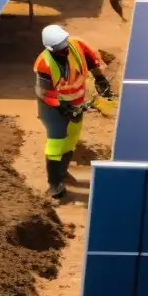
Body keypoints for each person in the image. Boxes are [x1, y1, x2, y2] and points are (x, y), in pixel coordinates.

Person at [34, 25, 111, 199]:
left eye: (65, 43)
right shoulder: (44, 64)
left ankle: (63, 172)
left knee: (71, 140)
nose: (65, 47)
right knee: (57, 142)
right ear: (51, 49)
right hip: (52, 107)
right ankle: (54, 184)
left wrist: (100, 79)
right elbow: (45, 92)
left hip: (76, 102)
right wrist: (65, 109)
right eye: (61, 47)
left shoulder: (77, 45)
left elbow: (92, 62)